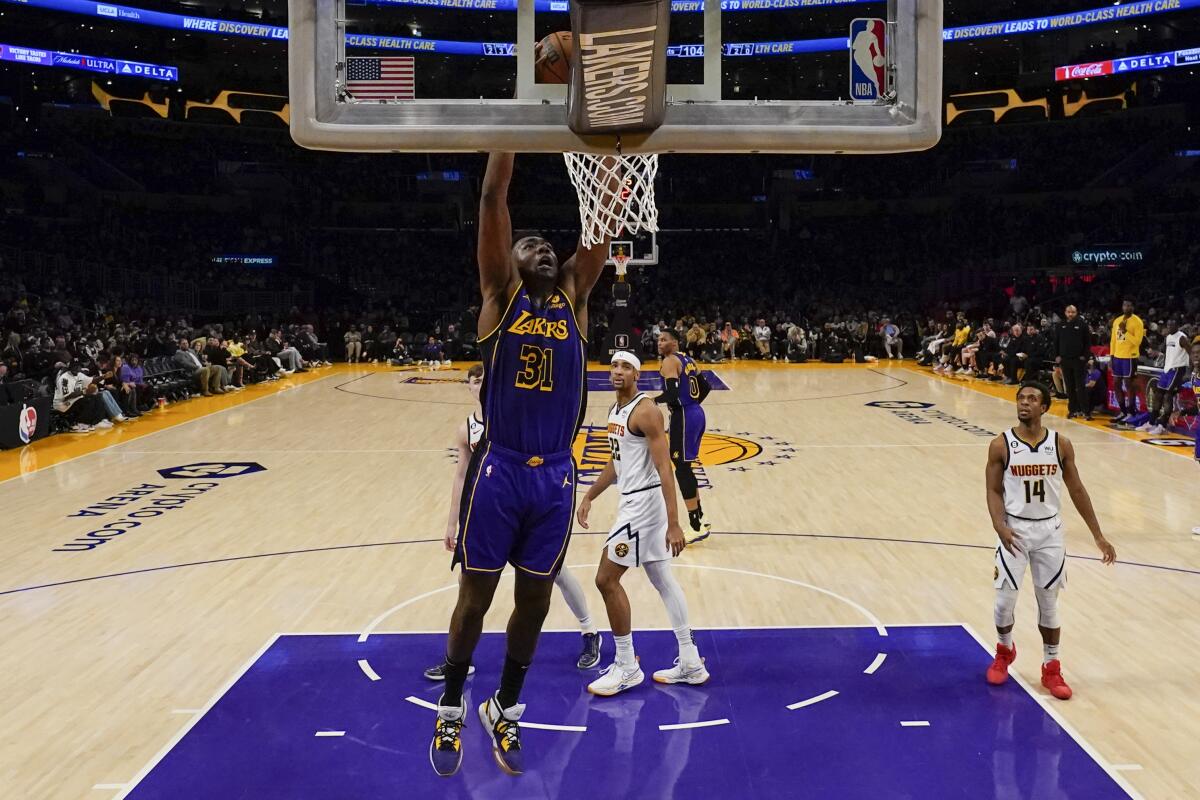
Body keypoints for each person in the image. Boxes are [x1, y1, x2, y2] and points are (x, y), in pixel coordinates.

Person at [429, 150, 611, 778]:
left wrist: (611, 151)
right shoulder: (498, 298)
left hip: (557, 475)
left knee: (534, 601)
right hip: (500, 469)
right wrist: (514, 122)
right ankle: (451, 704)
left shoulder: (574, 300)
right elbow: (492, 201)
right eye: (525, 243)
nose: (537, 246)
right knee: (475, 597)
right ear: (507, 261)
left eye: (545, 243)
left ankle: (504, 705)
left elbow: (601, 220)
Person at [424, 364, 602, 683]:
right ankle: (461, 659)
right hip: (488, 506)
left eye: (483, 379)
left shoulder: (514, 419)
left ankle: (590, 631)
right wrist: (453, 523)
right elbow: (462, 477)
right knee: (472, 586)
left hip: (531, 501)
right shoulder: (467, 428)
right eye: (472, 381)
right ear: (467, 387)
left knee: (555, 575)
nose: (478, 384)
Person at [577, 351, 707, 696]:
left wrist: (675, 523)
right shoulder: (614, 411)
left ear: (637, 374)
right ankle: (691, 661)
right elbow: (617, 461)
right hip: (632, 500)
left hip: (644, 505)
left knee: (606, 578)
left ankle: (626, 666)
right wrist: (591, 494)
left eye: (626, 367)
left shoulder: (646, 410)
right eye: (614, 366)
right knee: (662, 578)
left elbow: (666, 468)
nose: (618, 371)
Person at [984, 382, 1117, 700]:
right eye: (1021, 398)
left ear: (1045, 407)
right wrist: (999, 525)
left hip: (1049, 532)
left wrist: (1098, 535)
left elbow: (1077, 490)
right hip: (1014, 530)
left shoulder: (1061, 444)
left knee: (1049, 605)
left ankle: (1051, 666)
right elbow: (993, 490)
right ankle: (1005, 650)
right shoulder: (1001, 445)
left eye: (1032, 399)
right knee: (1004, 604)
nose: (1024, 403)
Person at [655, 329, 712, 544]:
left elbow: (671, 394)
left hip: (685, 416)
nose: (660, 343)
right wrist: (693, 405)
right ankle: (700, 516)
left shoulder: (670, 361)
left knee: (681, 469)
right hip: (696, 413)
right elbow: (705, 387)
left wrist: (651, 400)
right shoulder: (688, 360)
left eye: (664, 339)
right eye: (659, 340)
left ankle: (695, 526)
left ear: (675, 342)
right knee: (685, 466)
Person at [1138, 321, 1191, 435]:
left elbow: (1190, 352)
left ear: (1177, 326)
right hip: (1167, 369)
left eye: (1172, 325)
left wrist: (1191, 369)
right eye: (1168, 325)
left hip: (1177, 369)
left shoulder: (1182, 338)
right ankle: (1151, 422)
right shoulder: (1168, 337)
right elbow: (1167, 352)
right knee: (1158, 395)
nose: (1169, 327)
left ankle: (1162, 425)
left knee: (1168, 396)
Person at [1109, 300, 1144, 423]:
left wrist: (1125, 332)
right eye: (1124, 305)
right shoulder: (1117, 320)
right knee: (1116, 383)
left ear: (1133, 307)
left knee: (1129, 384)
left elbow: (1138, 342)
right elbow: (1113, 340)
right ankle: (1123, 411)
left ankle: (1131, 411)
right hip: (1117, 356)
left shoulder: (1137, 322)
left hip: (1130, 357)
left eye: (1129, 305)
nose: (1126, 307)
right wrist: (1111, 356)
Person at [1054, 305, 1093, 419]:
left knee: (1080, 386)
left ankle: (1085, 411)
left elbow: (1087, 343)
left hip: (1078, 360)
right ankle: (1072, 410)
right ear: (1065, 313)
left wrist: (1084, 356)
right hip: (1065, 360)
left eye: (1073, 312)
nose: (1070, 314)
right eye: (1068, 312)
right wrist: (1056, 356)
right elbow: (1056, 341)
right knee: (1069, 386)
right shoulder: (1060, 325)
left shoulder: (1082, 325)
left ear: (1076, 313)